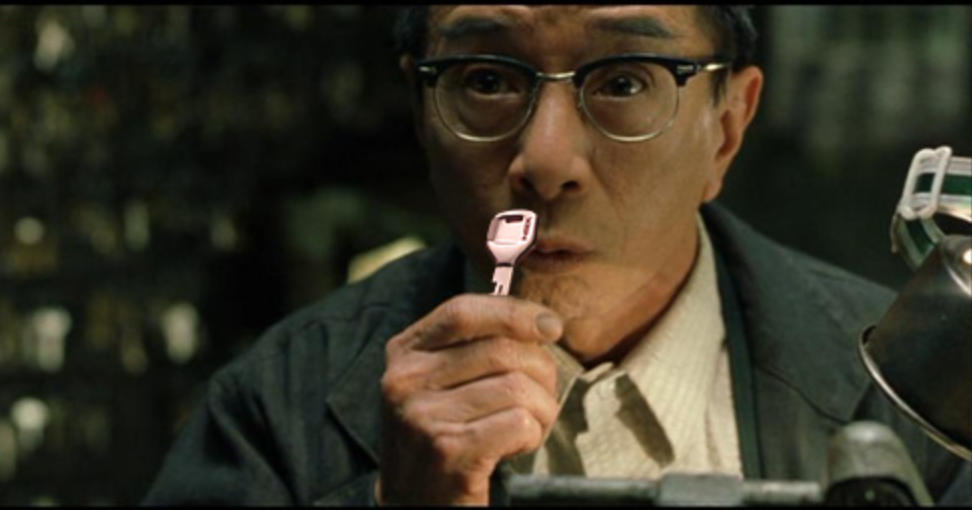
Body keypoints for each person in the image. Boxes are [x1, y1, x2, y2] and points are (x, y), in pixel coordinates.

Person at [142, 5, 971, 506]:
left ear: (726, 127)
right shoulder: (276, 414)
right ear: (421, 113)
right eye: (486, 80)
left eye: (625, 81)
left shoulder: (924, 404)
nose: (543, 160)